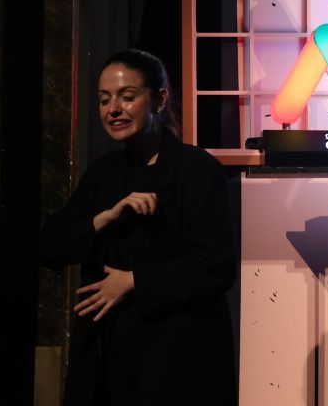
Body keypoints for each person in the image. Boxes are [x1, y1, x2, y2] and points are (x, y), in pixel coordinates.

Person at [39, 49, 236, 406]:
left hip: (178, 360)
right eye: (104, 100)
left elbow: (216, 267)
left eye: (127, 97)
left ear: (159, 98)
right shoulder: (104, 174)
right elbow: (49, 245)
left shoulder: (196, 169)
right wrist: (106, 217)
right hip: (110, 361)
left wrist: (132, 281)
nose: (113, 109)